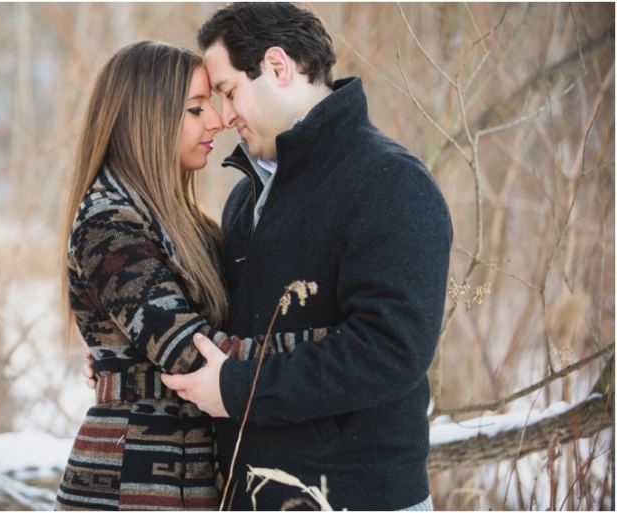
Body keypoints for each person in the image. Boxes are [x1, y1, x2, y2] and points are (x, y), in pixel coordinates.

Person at [160, 3, 453, 511]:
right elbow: (219, 324)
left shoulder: (390, 183)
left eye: (228, 91)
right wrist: (120, 347)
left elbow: (390, 350)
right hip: (250, 494)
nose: (223, 117)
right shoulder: (243, 201)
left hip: (356, 498)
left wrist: (239, 390)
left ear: (278, 67)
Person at [58, 40, 325, 511]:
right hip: (129, 481)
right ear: (149, 116)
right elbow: (193, 351)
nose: (219, 120)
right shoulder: (108, 222)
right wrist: (336, 344)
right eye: (197, 109)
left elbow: (225, 323)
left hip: (193, 472)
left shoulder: (188, 221)